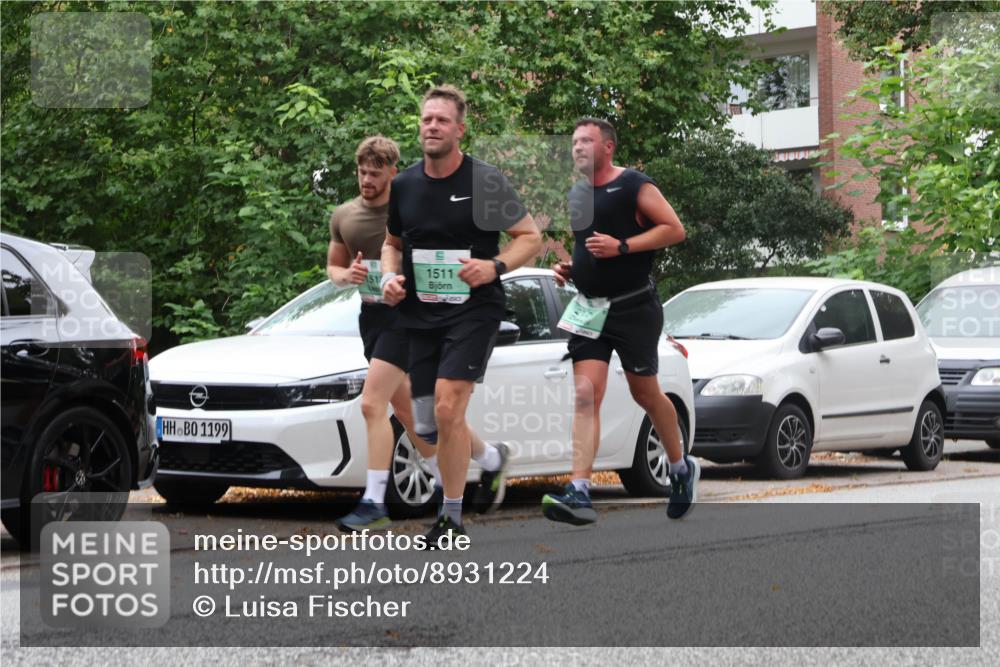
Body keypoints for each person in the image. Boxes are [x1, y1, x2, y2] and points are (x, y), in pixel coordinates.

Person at [381, 85, 542, 546]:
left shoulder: (483, 181)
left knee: (449, 407)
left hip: (474, 310)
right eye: (426, 119)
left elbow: (529, 237)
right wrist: (388, 277)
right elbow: (392, 244)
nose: (432, 126)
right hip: (420, 314)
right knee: (427, 423)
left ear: (460, 130)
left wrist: (493, 267)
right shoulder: (405, 184)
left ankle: (450, 517)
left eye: (442, 120)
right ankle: (491, 458)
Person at [542, 118, 698, 525]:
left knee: (645, 394)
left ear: (608, 147)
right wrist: (572, 269)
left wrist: (623, 246)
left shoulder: (633, 185)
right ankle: (579, 491)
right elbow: (588, 246)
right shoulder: (577, 193)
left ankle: (680, 467)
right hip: (590, 309)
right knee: (584, 395)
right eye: (574, 141)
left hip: (633, 308)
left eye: (586, 141)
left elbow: (674, 230)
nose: (577, 147)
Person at [328, 135, 439, 532]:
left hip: (407, 316)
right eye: (362, 172)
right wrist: (348, 275)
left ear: (393, 172)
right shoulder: (344, 215)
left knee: (371, 404)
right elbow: (333, 269)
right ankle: (475, 466)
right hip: (372, 317)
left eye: (375, 173)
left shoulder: (411, 210)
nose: (366, 180)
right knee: (409, 411)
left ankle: (374, 501)